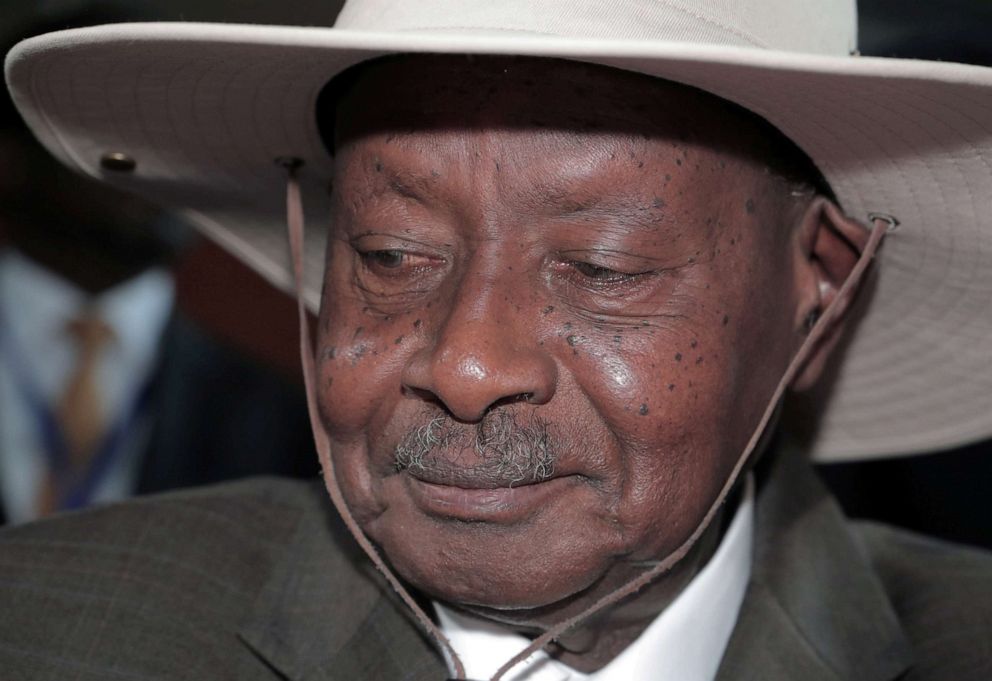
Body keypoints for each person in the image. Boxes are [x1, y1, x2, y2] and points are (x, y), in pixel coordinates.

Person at [2, 1, 990, 680]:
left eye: (602, 269)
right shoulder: (43, 631)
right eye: (391, 256)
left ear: (816, 287)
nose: (466, 365)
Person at [0, 8, 319, 524]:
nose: (164, 166)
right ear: (11, 160)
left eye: (182, 138)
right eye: (116, 130)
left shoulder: (278, 414)